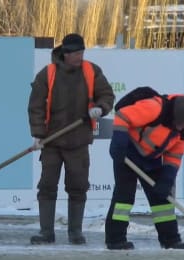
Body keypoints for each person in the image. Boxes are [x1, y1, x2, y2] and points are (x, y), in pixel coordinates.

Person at [28, 33, 115, 245]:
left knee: (78, 187)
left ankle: (75, 232)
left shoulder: (91, 71)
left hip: (78, 141)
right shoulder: (46, 74)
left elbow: (107, 95)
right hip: (51, 142)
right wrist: (39, 135)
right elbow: (36, 107)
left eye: (82, 52)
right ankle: (46, 232)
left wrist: (100, 108)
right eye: (76, 53)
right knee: (47, 186)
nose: (80, 56)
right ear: (65, 54)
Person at [105, 87, 184, 250]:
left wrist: (167, 178)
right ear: (176, 117)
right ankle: (115, 239)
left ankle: (170, 240)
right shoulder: (154, 107)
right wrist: (119, 144)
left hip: (152, 158)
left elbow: (174, 154)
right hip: (128, 152)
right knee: (124, 197)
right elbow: (122, 116)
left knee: (162, 200)